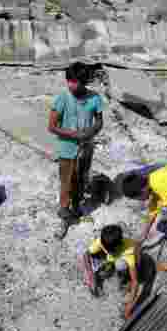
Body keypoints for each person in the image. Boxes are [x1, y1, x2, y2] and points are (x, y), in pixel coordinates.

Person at [48, 62, 105, 236]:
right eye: (69, 81)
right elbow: (52, 126)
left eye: (75, 81)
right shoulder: (62, 98)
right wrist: (75, 135)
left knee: (81, 178)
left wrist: (90, 133)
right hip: (67, 150)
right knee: (66, 183)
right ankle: (65, 217)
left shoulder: (95, 98)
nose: (71, 84)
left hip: (86, 148)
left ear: (84, 82)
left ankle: (76, 206)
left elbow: (99, 121)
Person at [81, 224, 141, 318]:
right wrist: (91, 275)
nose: (109, 252)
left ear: (118, 247)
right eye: (107, 250)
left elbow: (135, 281)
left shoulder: (129, 252)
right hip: (112, 259)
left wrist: (129, 305)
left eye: (111, 251)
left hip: (127, 261)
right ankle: (107, 270)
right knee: (94, 262)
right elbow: (86, 255)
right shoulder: (103, 240)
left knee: (121, 265)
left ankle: (124, 280)